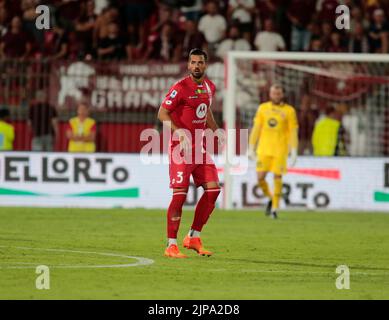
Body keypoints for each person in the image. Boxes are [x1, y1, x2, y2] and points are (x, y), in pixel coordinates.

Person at [157, 48, 223, 258]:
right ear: (188, 65)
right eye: (193, 62)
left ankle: (193, 237)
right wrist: (180, 133)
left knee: (213, 190)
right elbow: (162, 113)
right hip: (180, 148)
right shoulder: (180, 87)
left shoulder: (209, 87)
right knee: (180, 195)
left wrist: (216, 129)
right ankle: (171, 245)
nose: (196, 66)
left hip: (199, 149)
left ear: (205, 65)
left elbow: (206, 110)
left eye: (200, 62)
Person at [248, 84, 299, 219]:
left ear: (282, 95)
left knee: (277, 177)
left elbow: (293, 132)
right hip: (263, 149)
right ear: (270, 94)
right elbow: (256, 128)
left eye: (278, 93)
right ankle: (272, 198)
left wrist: (293, 151)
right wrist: (251, 147)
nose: (276, 95)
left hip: (280, 150)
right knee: (260, 178)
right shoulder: (263, 108)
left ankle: (275, 209)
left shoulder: (289, 111)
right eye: (273, 93)